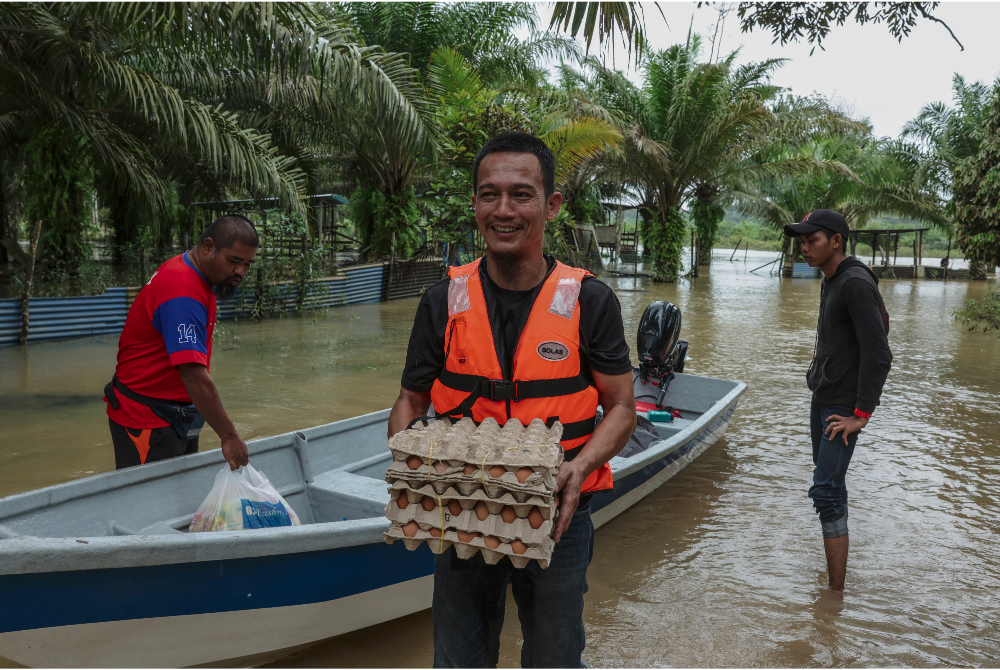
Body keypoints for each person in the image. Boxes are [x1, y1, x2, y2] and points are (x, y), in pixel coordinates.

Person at [388, 132, 636, 668]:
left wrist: (582, 464)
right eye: (489, 194)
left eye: (521, 195)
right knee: (457, 660)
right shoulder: (442, 301)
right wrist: (409, 473)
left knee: (554, 657)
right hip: (459, 510)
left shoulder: (588, 301)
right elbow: (410, 399)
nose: (503, 210)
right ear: (474, 204)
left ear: (551, 206)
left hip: (558, 515)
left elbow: (621, 407)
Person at [785, 209, 892, 591]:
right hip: (825, 394)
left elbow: (879, 352)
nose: (804, 248)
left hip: (843, 405)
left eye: (811, 240)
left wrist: (861, 414)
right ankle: (835, 589)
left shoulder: (854, 284)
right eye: (801, 242)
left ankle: (834, 596)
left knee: (826, 489)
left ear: (836, 241)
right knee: (830, 483)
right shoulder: (832, 279)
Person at [104, 215, 257, 471]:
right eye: (234, 261)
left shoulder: (193, 271)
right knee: (149, 500)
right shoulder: (182, 290)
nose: (240, 272)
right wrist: (229, 437)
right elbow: (194, 376)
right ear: (208, 247)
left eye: (248, 264)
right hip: (147, 419)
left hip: (177, 415)